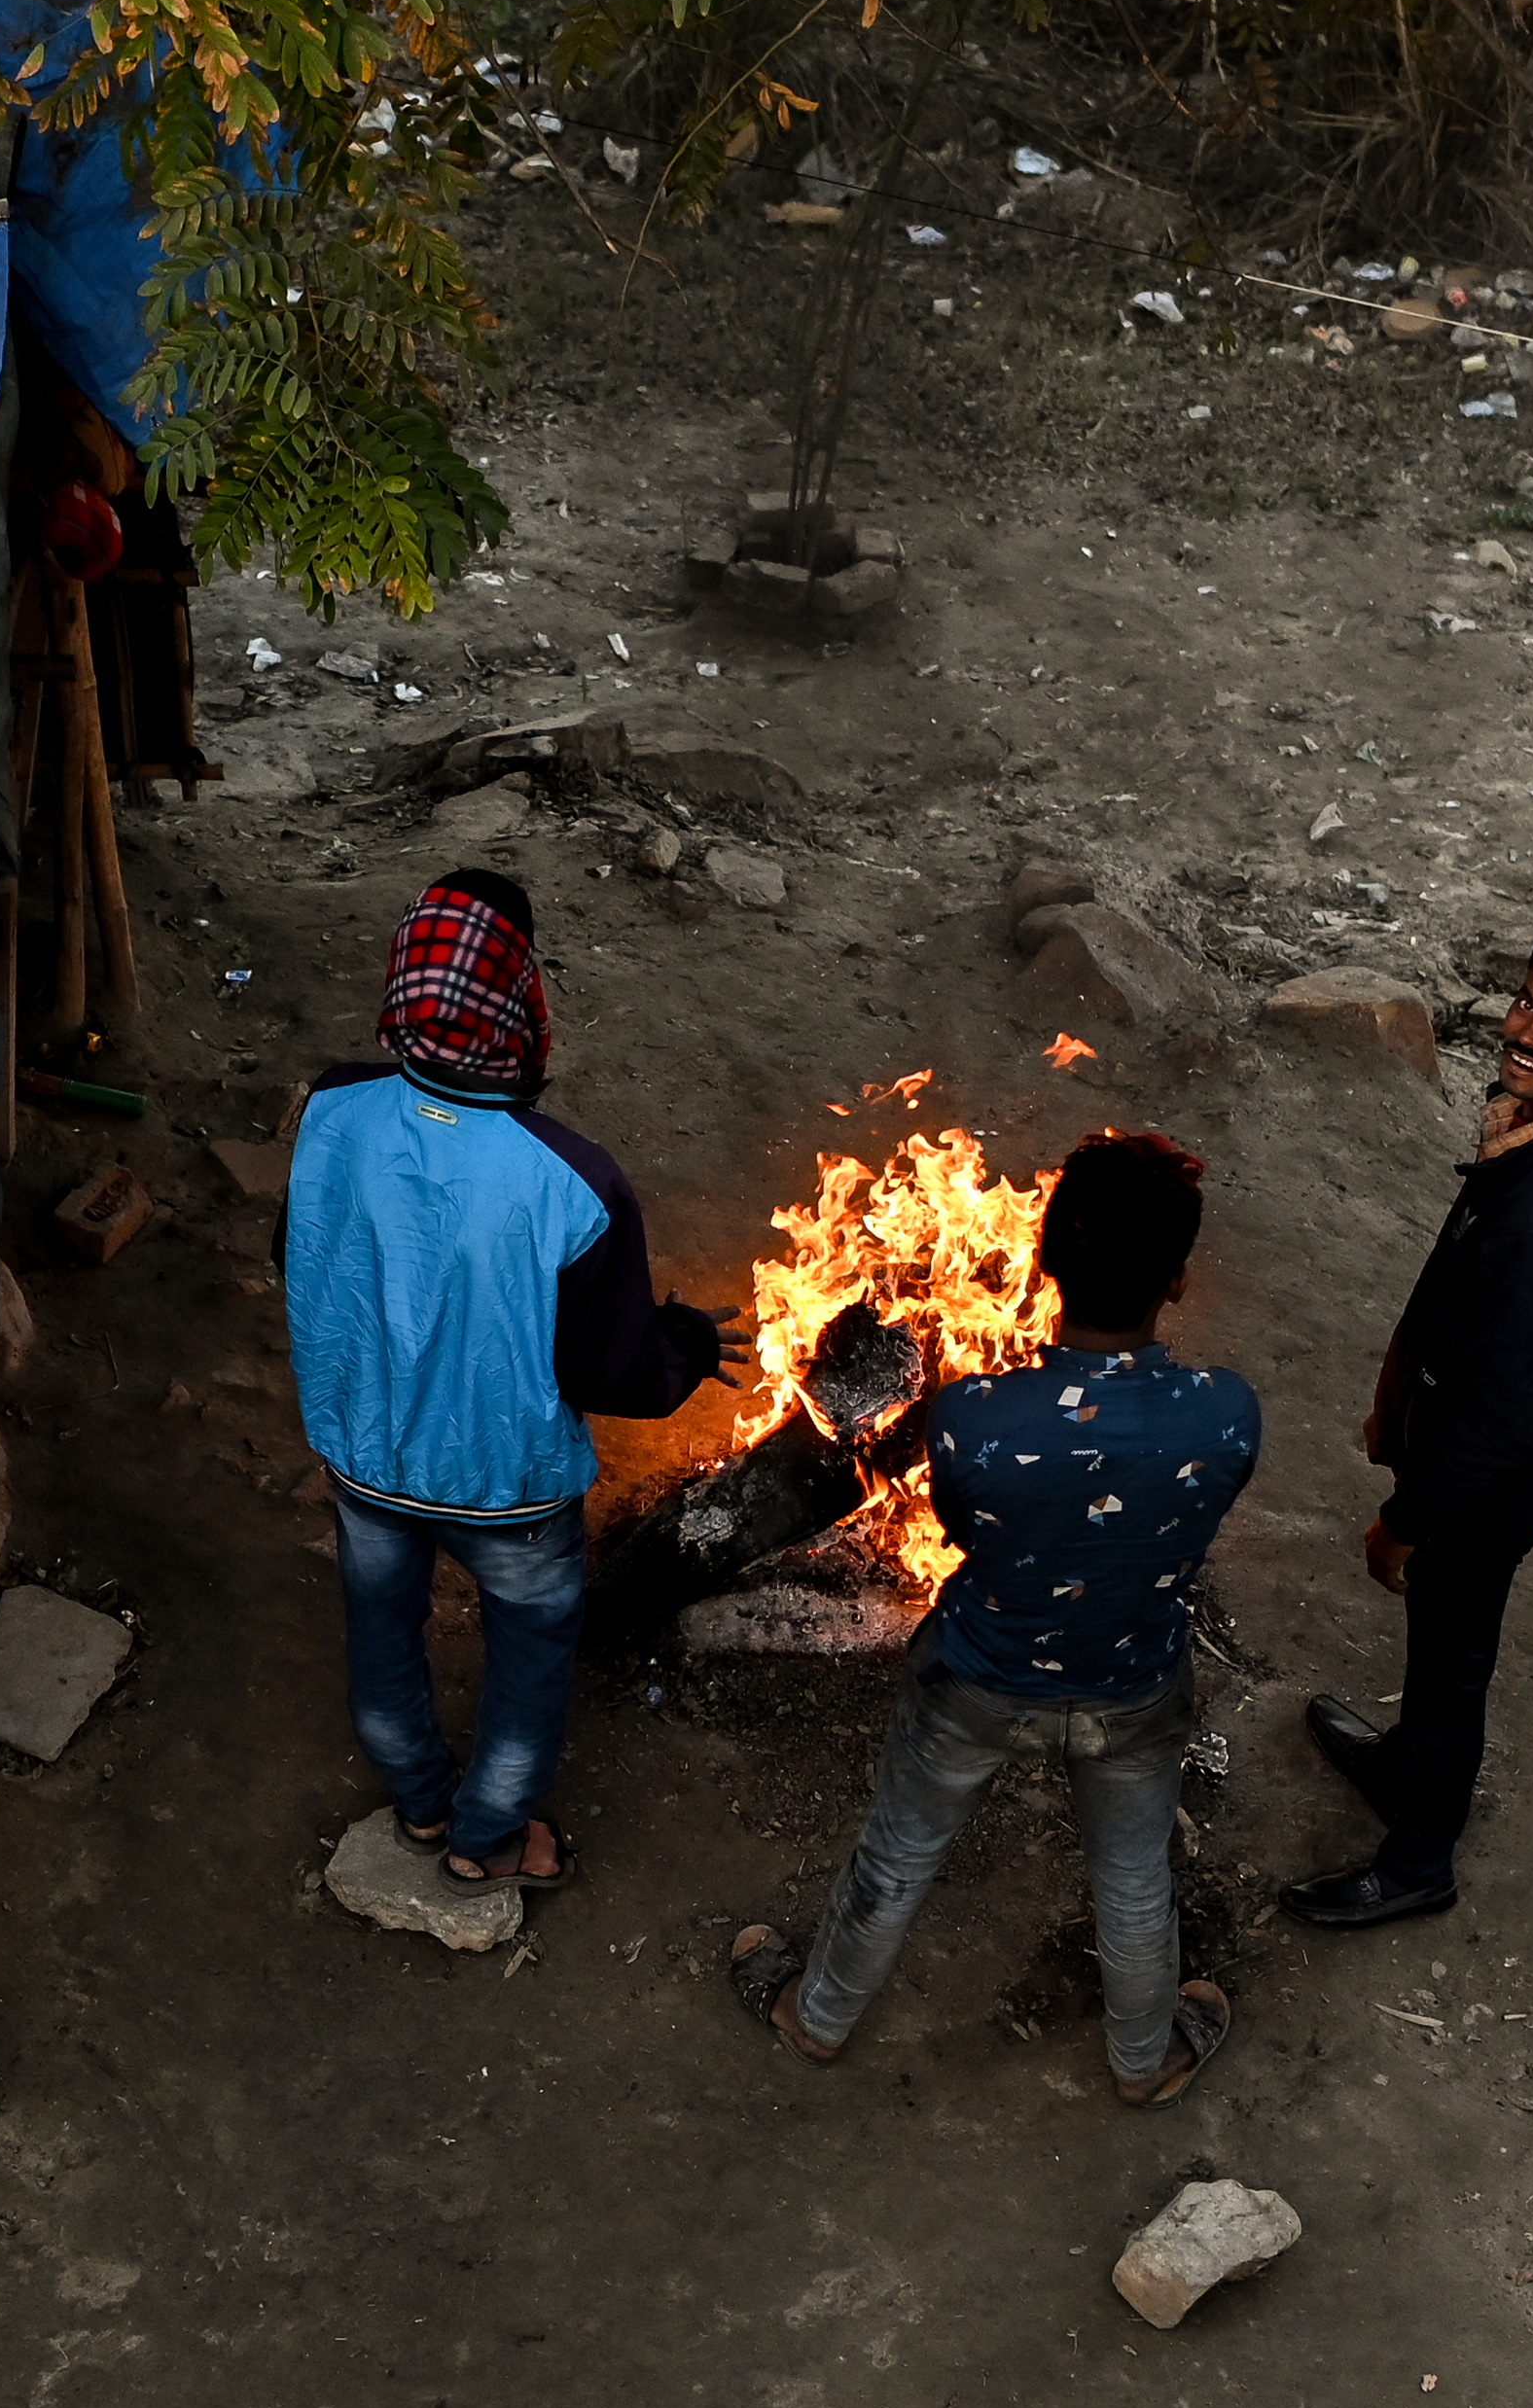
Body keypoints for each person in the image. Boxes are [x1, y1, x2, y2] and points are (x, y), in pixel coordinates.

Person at [729, 1132, 1258, 2106]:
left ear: (1044, 1260)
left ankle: (819, 2015)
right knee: (1133, 1879)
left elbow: (968, 1534)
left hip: (976, 1681)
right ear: (1176, 1281)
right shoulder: (1225, 1412)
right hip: (1133, 1687)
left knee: (898, 1852)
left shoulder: (972, 1416)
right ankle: (1144, 2060)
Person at [283, 868, 724, 1891]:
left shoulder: (330, 1108)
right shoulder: (574, 1178)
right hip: (508, 1488)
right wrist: (688, 1344)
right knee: (527, 1662)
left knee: (380, 1631)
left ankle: (421, 1803)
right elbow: (616, 1371)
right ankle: (486, 1837)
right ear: (521, 999)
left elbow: (301, 1253)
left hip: (363, 1455)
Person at [1285, 907, 1533, 1930]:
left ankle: (1418, 1858)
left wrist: (1404, 1522)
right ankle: (1404, 1763)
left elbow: (1499, 1419)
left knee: (1452, 1660)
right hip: (1499, 1451)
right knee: (1441, 1652)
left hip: (1484, 1491)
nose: (1526, 1034)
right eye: (1525, 1004)